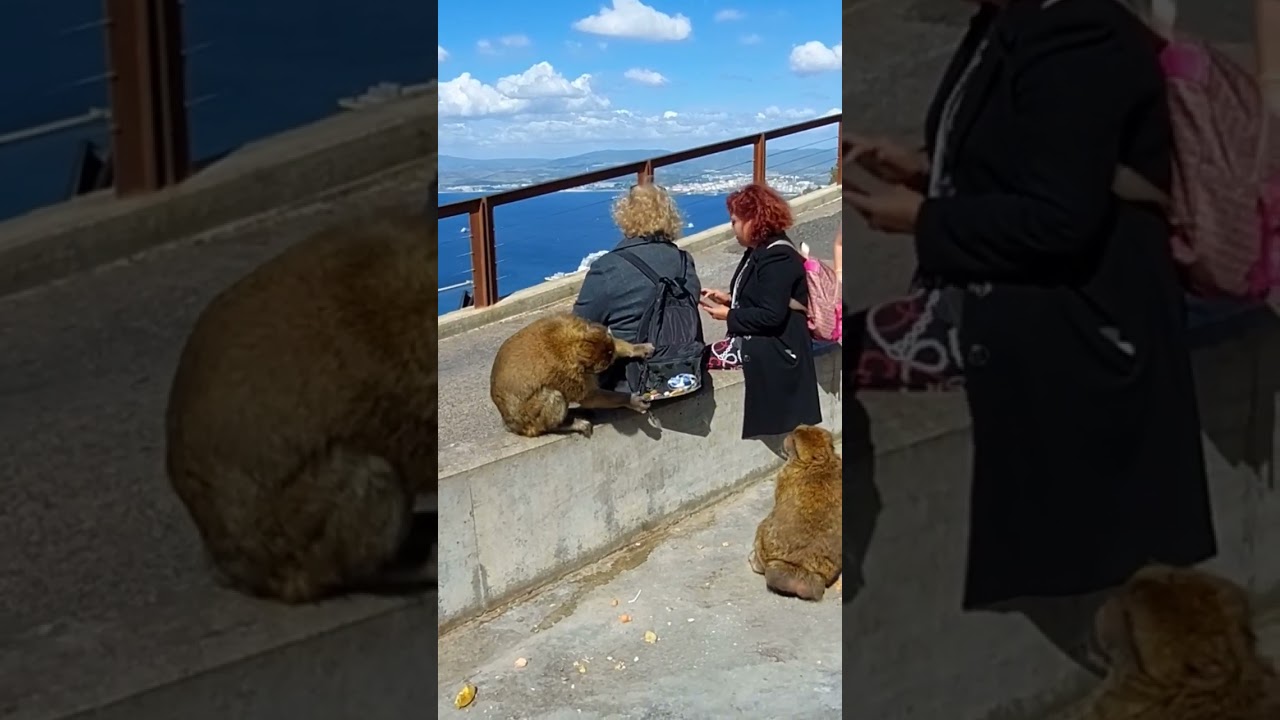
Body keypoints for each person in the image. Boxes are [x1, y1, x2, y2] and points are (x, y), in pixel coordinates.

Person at [844, 0, 1216, 610]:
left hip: (1083, 318)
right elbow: (1029, 156)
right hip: (1014, 294)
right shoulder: (1014, 21)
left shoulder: (1078, 35)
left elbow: (1058, 218)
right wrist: (922, 169)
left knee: (833, 363)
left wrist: (925, 219)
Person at [699, 183, 823, 439]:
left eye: (735, 221)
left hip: (781, 348)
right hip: (770, 340)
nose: (732, 228)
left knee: (699, 360)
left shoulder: (777, 257)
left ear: (752, 220)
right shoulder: (761, 250)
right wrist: (731, 298)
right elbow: (768, 295)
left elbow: (771, 315)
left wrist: (729, 315)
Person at [573, 182, 703, 392]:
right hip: (683, 368)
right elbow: (691, 300)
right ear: (669, 215)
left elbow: (578, 328)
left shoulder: (607, 268)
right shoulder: (683, 260)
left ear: (624, 214)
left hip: (629, 382)